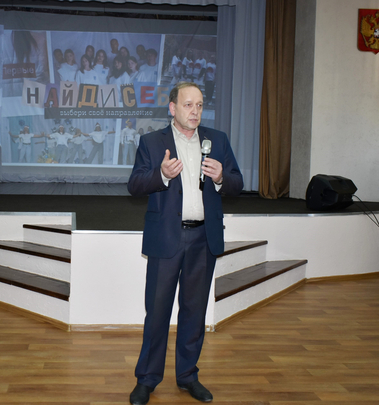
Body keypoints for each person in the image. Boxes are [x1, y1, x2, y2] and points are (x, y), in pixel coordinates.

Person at [127, 82, 243, 405]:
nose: (195, 111)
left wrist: (221, 177)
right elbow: (134, 184)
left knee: (194, 312)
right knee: (157, 313)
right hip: (167, 239)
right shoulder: (152, 142)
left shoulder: (217, 140)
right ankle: (147, 379)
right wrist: (162, 175)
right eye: (188, 105)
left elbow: (237, 183)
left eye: (200, 105)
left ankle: (188, 375)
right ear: (172, 108)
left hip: (203, 239)